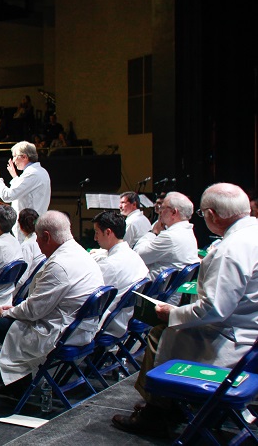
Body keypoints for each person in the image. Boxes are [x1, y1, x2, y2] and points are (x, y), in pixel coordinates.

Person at [112, 183, 258, 437]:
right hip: (248, 335)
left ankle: (158, 410)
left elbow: (214, 310)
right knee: (165, 330)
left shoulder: (230, 250)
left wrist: (173, 314)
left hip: (233, 341)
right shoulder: (252, 233)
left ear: (212, 215)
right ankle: (166, 405)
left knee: (161, 333)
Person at [0, 211, 104, 413]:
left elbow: (34, 311)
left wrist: (6, 312)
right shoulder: (80, 253)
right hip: (77, 327)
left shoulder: (59, 265)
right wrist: (15, 309)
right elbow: (42, 303)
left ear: (46, 236)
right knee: (2, 320)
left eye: (38, 238)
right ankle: (17, 385)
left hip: (56, 331)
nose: (37, 243)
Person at [91, 211, 148, 338]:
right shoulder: (134, 256)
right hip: (126, 318)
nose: (95, 238)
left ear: (108, 232)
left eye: (97, 233)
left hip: (109, 325)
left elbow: (88, 295)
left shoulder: (110, 265)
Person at [0, 141, 51, 236]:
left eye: (15, 156)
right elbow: (25, 192)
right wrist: (15, 177)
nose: (13, 160)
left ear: (24, 157)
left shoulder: (32, 174)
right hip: (31, 226)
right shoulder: (40, 171)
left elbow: (7, 196)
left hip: (27, 229)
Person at [132, 191, 199, 279]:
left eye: (162, 208)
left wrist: (153, 232)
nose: (160, 212)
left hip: (152, 289)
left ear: (174, 212)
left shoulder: (170, 237)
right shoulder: (188, 231)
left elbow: (138, 256)